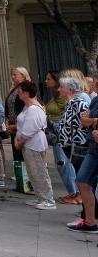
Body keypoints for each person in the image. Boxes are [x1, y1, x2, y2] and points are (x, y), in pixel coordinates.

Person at [12, 80, 56, 210]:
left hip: (34, 144)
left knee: (39, 171)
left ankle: (48, 199)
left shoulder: (33, 109)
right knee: (33, 171)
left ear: (26, 93)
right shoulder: (29, 107)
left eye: (19, 92)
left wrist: (19, 141)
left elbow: (29, 130)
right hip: (30, 144)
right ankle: (41, 196)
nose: (18, 94)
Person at [55, 72, 91, 205]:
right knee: (78, 174)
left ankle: (86, 206)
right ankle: (85, 206)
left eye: (61, 87)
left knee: (82, 177)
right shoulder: (70, 103)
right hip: (70, 145)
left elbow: (86, 122)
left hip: (78, 145)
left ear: (69, 89)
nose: (59, 89)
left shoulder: (78, 103)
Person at [69, 87, 98, 233]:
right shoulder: (95, 100)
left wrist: (91, 121)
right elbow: (84, 122)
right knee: (82, 181)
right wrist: (93, 121)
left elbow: (87, 121)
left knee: (84, 181)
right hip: (93, 147)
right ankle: (90, 221)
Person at [4, 67, 30, 176]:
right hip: (12, 122)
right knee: (16, 148)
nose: (13, 77)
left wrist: (16, 124)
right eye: (12, 75)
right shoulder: (13, 89)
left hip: (21, 123)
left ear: (23, 76)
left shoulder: (27, 87)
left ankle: (26, 174)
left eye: (15, 75)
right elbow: (8, 106)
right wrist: (7, 120)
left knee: (23, 148)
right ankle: (20, 174)